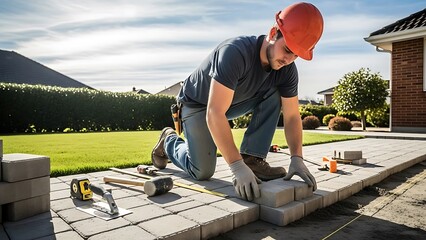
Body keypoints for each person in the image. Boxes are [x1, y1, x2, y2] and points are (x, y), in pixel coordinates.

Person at [152, 2, 323, 201]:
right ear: (273, 33)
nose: (289, 59)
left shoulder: (287, 70)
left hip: (232, 103)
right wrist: (236, 166)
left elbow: (292, 116)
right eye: (287, 49)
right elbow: (214, 112)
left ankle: (252, 159)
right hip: (197, 105)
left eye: (296, 55)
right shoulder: (235, 52)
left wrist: (297, 157)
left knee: (277, 92)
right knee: (202, 171)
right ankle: (168, 141)